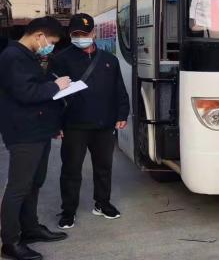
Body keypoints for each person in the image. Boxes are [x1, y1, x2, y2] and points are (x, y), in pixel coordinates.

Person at [48, 14, 129, 230]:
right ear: (70, 35)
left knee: (104, 167)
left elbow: (119, 89)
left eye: (85, 33)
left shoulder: (109, 60)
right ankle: (68, 211)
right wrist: (55, 124)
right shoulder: (60, 59)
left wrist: (122, 114)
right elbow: (52, 95)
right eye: (76, 34)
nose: (81, 37)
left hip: (104, 124)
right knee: (71, 170)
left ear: (93, 33)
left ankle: (102, 203)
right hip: (74, 125)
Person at [0, 17, 71, 260]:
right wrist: (56, 86)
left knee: (34, 183)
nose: (49, 47)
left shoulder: (26, 56)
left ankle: (30, 228)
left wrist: (52, 125)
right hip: (23, 132)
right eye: (51, 42)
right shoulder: (13, 56)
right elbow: (26, 93)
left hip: (38, 129)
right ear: (39, 36)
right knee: (18, 187)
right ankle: (10, 242)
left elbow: (35, 90)